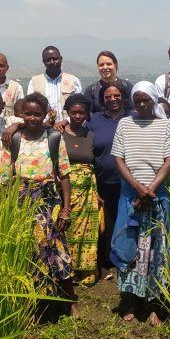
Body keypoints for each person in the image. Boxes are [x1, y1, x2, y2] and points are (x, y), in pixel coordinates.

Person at [110, 81, 170, 326]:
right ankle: (130, 300)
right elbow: (119, 160)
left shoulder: (164, 126)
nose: (142, 104)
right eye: (137, 100)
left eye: (146, 100)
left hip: (156, 197)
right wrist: (138, 188)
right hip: (131, 197)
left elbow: (168, 162)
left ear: (153, 100)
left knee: (156, 251)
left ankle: (154, 304)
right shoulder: (125, 124)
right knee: (130, 247)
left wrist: (149, 190)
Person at [10, 92, 78, 317]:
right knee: (32, 250)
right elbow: (5, 175)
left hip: (49, 200)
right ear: (21, 114)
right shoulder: (15, 139)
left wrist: (66, 210)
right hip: (22, 203)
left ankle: (70, 301)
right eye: (27, 113)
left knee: (58, 248)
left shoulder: (53, 138)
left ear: (44, 115)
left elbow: (65, 175)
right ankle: (37, 303)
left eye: (37, 114)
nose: (32, 118)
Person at [86, 83, 130, 280]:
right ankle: (107, 261)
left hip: (128, 181)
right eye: (108, 96)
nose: (113, 99)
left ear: (123, 97)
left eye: (117, 95)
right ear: (102, 99)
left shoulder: (133, 117)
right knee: (107, 222)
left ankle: (126, 258)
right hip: (103, 180)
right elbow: (78, 132)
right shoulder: (95, 120)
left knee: (126, 220)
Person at [60, 94, 100, 286]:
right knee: (68, 230)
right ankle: (69, 271)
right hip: (65, 189)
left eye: (81, 112)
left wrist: (96, 192)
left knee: (88, 231)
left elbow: (94, 164)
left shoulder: (90, 135)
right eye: (74, 112)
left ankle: (86, 272)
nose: (77, 116)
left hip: (88, 191)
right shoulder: (57, 133)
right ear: (67, 113)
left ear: (87, 114)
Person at [27, 46, 82, 124]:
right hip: (42, 129)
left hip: (67, 128)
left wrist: (66, 121)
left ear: (61, 59)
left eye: (55, 59)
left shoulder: (73, 81)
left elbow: (79, 107)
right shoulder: (34, 82)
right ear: (43, 62)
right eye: (48, 60)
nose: (52, 62)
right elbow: (30, 108)